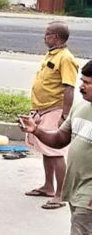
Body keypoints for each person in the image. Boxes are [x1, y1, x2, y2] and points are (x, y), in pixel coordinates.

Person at [19, 60, 92, 235]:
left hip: (89, 196)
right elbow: (61, 139)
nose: (81, 87)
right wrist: (36, 131)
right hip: (75, 189)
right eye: (83, 81)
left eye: (88, 83)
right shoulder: (80, 109)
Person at [25, 22, 78, 210]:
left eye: (47, 34)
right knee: (46, 149)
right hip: (43, 108)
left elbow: (69, 88)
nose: (44, 37)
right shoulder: (53, 54)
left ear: (56, 37)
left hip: (55, 110)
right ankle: (48, 187)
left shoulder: (66, 58)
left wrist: (64, 115)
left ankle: (61, 195)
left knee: (55, 153)